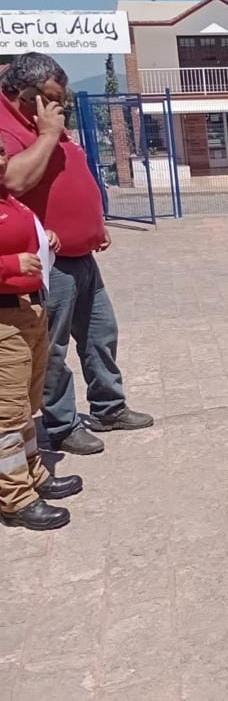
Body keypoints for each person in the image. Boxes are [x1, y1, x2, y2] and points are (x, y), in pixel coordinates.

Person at [0, 54, 153, 455]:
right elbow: (14, 180)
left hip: (82, 254)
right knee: (52, 348)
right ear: (25, 94)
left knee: (101, 334)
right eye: (52, 99)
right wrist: (50, 134)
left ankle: (108, 407)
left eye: (62, 101)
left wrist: (92, 223)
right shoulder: (9, 127)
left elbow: (68, 175)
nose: (60, 108)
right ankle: (62, 424)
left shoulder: (46, 121)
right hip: (49, 263)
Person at [0, 133, 83, 530]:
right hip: (3, 320)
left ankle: (33, 476)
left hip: (28, 312)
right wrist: (11, 266)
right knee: (7, 413)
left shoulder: (8, 200)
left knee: (26, 406)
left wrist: (42, 239)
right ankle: (15, 498)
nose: (0, 159)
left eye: (0, 151)